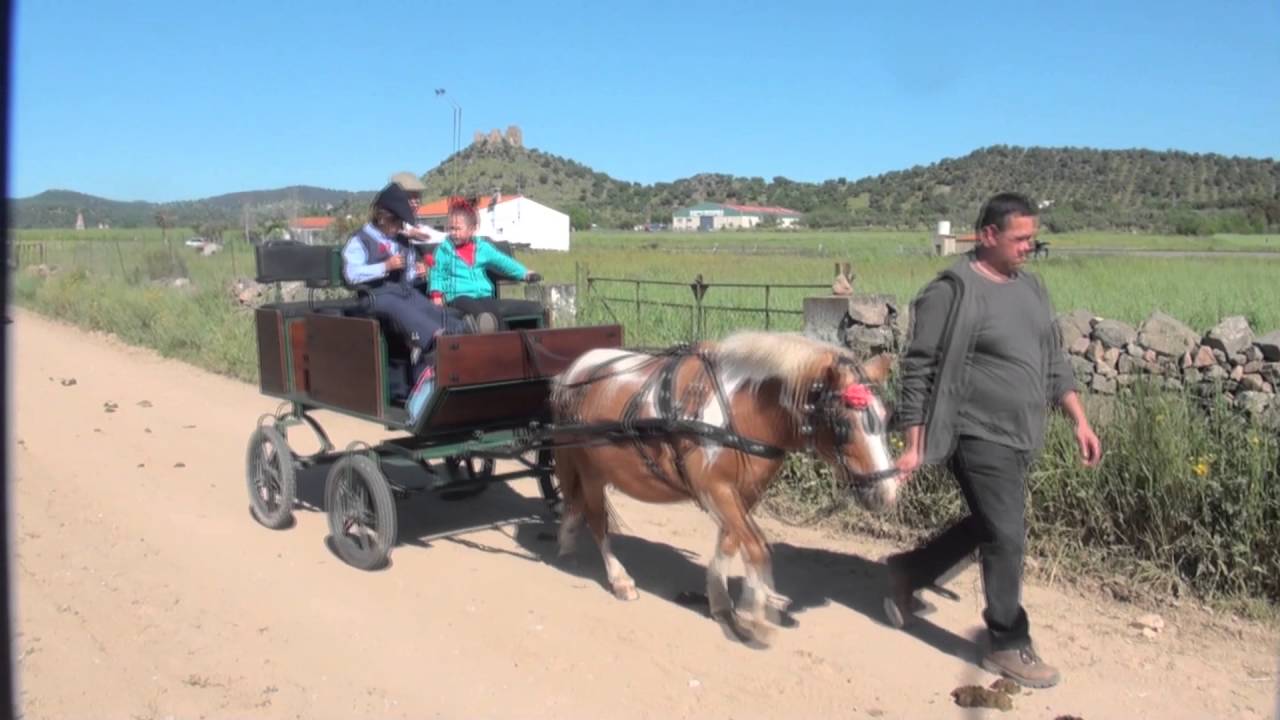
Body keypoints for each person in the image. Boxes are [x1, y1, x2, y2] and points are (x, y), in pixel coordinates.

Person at [885, 192, 1102, 689]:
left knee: (991, 524)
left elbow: (1053, 361)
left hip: (1023, 434)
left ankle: (907, 572)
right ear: (988, 236)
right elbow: (918, 370)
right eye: (1020, 238)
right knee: (1007, 535)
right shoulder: (952, 291)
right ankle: (1006, 642)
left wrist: (1079, 420)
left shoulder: (1032, 288)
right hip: (974, 433)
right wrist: (914, 443)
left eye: (1033, 238)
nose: (1030, 247)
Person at [341, 183, 471, 374]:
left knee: (422, 304)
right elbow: (351, 274)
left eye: (401, 223)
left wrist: (419, 270)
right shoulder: (360, 240)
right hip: (373, 296)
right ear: (382, 218)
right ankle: (435, 338)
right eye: (396, 222)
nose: (399, 227)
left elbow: (408, 274)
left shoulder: (401, 239)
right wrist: (385, 266)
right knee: (397, 306)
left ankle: (460, 329)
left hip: (402, 291)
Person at [427, 196, 544, 327]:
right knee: (477, 312)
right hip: (458, 295)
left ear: (472, 229)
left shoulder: (482, 248)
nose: (453, 233)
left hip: (483, 295)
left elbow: (503, 262)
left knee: (495, 314)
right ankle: (479, 333)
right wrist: (436, 294)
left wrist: (524, 273)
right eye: (451, 228)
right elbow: (437, 272)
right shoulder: (445, 249)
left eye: (458, 229)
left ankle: (503, 341)